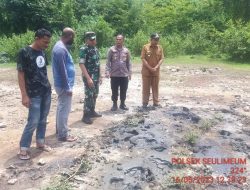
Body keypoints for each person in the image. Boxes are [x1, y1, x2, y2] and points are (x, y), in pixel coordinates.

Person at [17, 28, 52, 160]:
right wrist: (24, 95)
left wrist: (48, 86)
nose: (46, 45)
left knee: (43, 119)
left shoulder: (42, 52)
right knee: (33, 121)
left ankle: (40, 142)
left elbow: (42, 71)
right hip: (33, 93)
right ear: (37, 38)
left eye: (48, 43)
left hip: (45, 91)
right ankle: (24, 148)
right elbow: (21, 75)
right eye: (45, 42)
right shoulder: (24, 52)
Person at [52, 28, 77, 142]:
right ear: (70, 36)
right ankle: (63, 135)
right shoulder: (60, 49)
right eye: (73, 37)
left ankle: (60, 129)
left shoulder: (60, 46)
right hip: (63, 85)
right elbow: (63, 70)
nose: (74, 40)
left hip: (61, 84)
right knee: (64, 109)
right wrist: (68, 87)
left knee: (61, 107)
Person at [79, 32, 102, 124]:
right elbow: (81, 64)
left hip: (96, 76)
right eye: (91, 40)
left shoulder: (95, 49)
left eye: (94, 39)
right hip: (89, 76)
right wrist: (88, 78)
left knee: (95, 94)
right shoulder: (84, 49)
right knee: (89, 95)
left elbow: (98, 63)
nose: (93, 41)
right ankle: (86, 115)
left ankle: (92, 111)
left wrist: (100, 75)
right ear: (87, 40)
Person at [105, 34, 132, 111]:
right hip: (114, 74)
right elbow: (108, 62)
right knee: (114, 90)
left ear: (123, 40)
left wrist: (130, 73)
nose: (118, 41)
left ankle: (122, 104)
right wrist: (107, 71)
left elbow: (128, 62)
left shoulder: (126, 51)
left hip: (124, 74)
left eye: (120, 39)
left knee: (124, 89)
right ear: (115, 40)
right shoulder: (111, 50)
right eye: (117, 39)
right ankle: (114, 104)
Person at [141, 33, 164, 108]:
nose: (157, 41)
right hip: (146, 72)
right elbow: (143, 58)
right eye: (155, 39)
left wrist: (157, 67)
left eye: (158, 39)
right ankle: (145, 103)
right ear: (151, 39)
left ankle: (156, 103)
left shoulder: (160, 48)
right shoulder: (145, 47)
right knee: (146, 88)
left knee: (155, 88)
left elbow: (162, 58)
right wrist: (150, 68)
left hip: (155, 72)